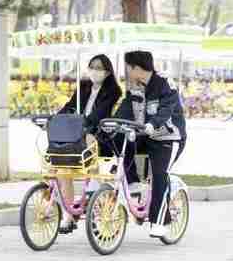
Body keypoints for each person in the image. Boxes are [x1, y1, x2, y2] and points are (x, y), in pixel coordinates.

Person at [114, 51, 187, 238]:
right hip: (145, 135)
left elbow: (166, 110)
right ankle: (133, 183)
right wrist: (111, 124)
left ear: (137, 68)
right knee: (120, 141)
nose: (127, 71)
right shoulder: (135, 86)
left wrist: (152, 124)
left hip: (169, 139)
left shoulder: (164, 84)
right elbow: (125, 107)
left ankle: (160, 221)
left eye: (128, 67)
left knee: (160, 174)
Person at [55, 54, 122, 233]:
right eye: (92, 66)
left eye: (99, 68)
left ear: (107, 72)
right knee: (62, 171)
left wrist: (82, 124)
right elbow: (71, 105)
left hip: (101, 135)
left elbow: (100, 113)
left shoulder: (114, 90)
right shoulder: (84, 85)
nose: (94, 71)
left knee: (92, 160)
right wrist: (56, 119)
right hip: (78, 135)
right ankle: (68, 214)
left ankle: (96, 203)